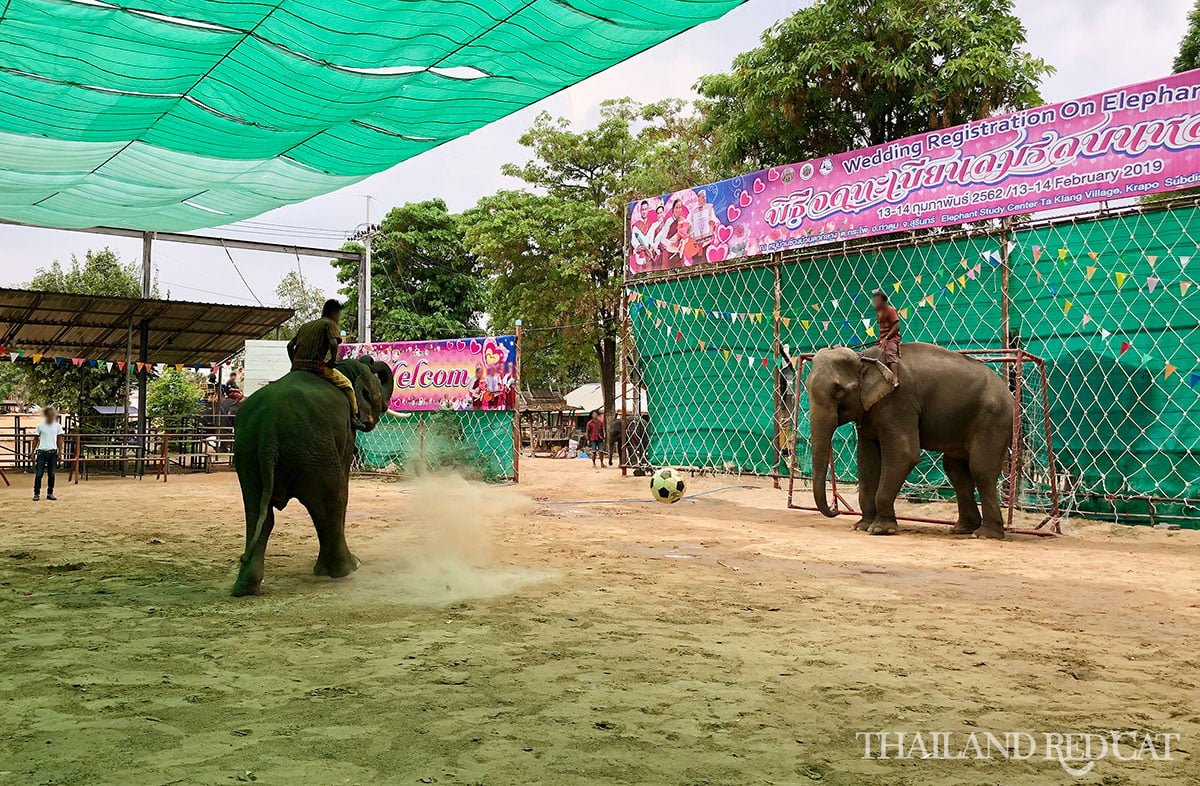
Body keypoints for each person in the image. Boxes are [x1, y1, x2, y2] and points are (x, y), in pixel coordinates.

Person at [287, 299, 365, 430]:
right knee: (348, 386)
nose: (339, 318)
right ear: (334, 313)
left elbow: (290, 345)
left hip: (296, 368)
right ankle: (353, 417)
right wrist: (333, 361)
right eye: (339, 315)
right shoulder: (329, 323)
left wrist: (294, 363)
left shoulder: (305, 326)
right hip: (317, 368)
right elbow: (334, 343)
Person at [32, 406, 64, 501]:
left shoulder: (57, 426)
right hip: (42, 452)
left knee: (52, 474)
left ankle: (50, 493)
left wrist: (60, 451)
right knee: (39, 474)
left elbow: (60, 439)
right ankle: (36, 493)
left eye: (53, 415)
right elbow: (35, 439)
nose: (51, 417)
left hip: (52, 452)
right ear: (46, 416)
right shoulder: (40, 426)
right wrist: (33, 451)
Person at [872, 290, 902, 388]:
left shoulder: (890, 310)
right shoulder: (879, 312)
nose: (875, 303)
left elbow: (896, 326)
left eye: (877, 301)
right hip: (883, 338)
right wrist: (881, 338)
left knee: (890, 353)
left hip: (892, 338)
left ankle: (895, 377)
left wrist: (886, 338)